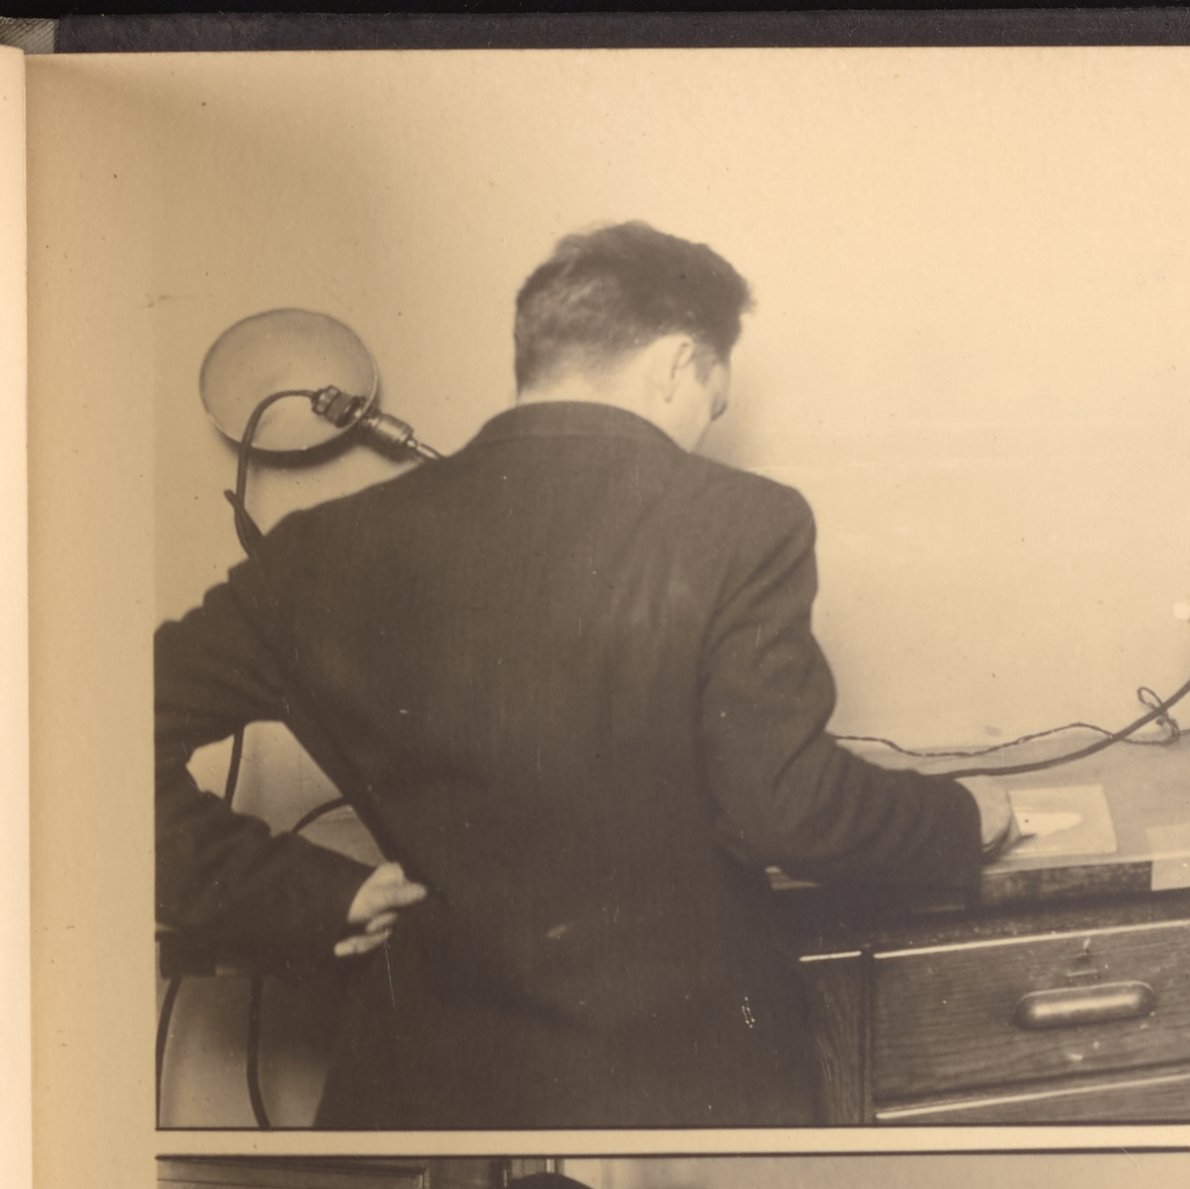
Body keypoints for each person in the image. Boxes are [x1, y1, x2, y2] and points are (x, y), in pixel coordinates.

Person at [154, 221, 1000, 1128]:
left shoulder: (314, 552)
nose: (701, 433)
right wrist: (964, 815)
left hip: (430, 1090)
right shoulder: (746, 521)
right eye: (711, 406)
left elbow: (89, 746)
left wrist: (307, 896)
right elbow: (788, 808)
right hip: (685, 1082)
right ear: (677, 365)